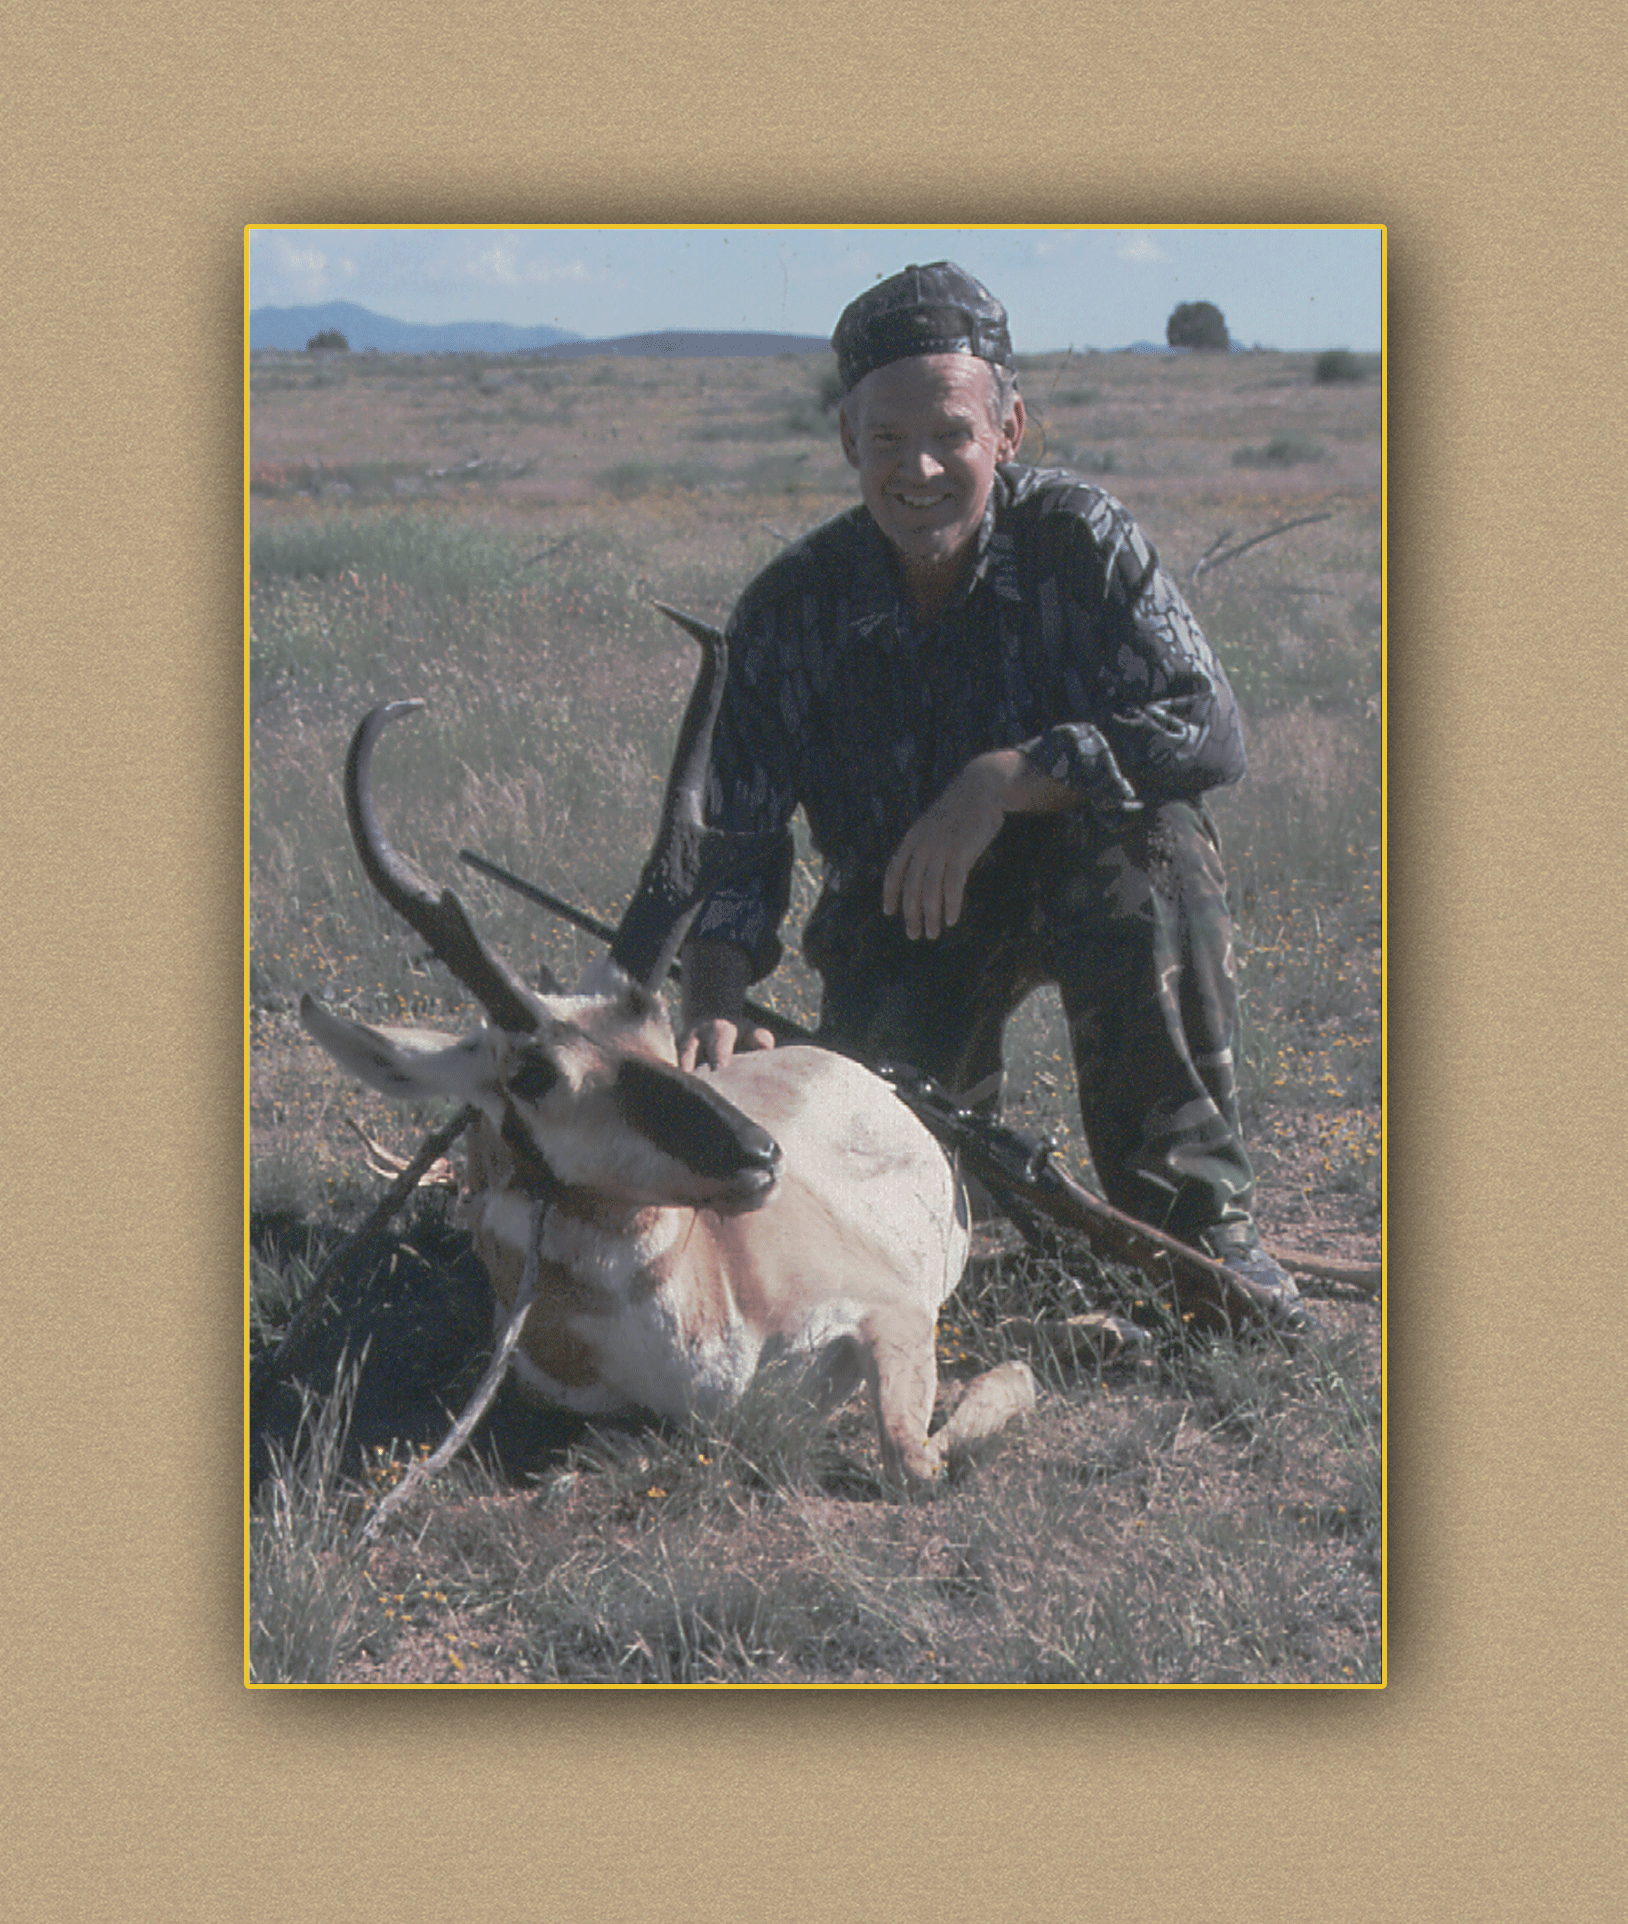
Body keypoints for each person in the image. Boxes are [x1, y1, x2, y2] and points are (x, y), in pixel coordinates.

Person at [677, 261, 1304, 1319]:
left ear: (1008, 431)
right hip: (903, 918)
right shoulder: (787, 610)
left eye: (950, 435)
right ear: (846, 440)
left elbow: (1207, 729)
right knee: (887, 1217)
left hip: (1095, 880)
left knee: (1158, 848)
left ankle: (1196, 1233)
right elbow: (734, 844)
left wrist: (1005, 781)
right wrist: (710, 997)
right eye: (885, 440)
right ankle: (965, 1219)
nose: (916, 468)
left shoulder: (1082, 540)